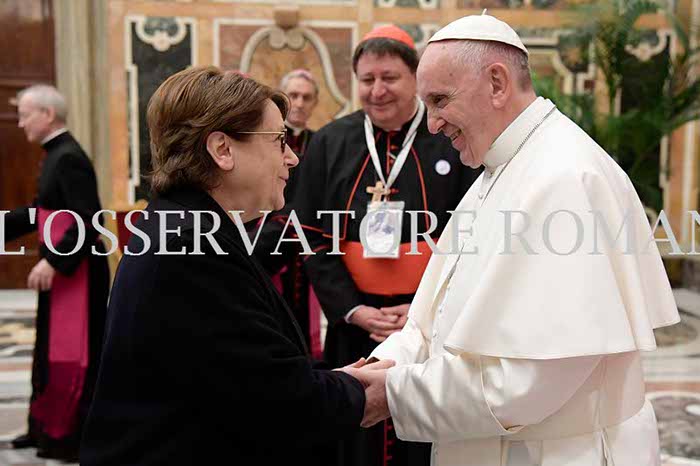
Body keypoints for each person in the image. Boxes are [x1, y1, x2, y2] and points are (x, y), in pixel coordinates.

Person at [367, 13, 681, 466]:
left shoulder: (565, 177)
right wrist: (387, 364)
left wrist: (390, 394)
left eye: (439, 100)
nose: (431, 124)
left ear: (497, 83)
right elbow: (434, 315)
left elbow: (527, 384)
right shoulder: (500, 166)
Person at [80, 66, 392, 466]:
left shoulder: (188, 225)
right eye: (279, 140)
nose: (292, 157)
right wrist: (376, 391)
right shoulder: (190, 249)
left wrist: (334, 381)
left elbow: (238, 373)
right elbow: (274, 402)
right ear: (222, 150)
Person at [290, 24, 481, 466]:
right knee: (353, 438)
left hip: (430, 323)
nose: (377, 90)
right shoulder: (330, 142)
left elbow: (473, 234)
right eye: (367, 79)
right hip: (355, 323)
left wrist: (422, 308)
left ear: (415, 78)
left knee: (423, 438)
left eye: (390, 78)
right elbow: (310, 232)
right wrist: (353, 308)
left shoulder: (450, 138)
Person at [4, 84, 109, 462]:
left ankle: (69, 437)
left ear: (47, 115)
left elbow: (88, 220)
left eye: (25, 115)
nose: (20, 123)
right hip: (66, 270)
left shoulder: (69, 157)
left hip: (77, 273)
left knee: (73, 356)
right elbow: (43, 210)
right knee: (48, 352)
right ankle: (44, 429)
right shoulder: (55, 154)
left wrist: (53, 262)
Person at [251, 69, 323, 357]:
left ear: (315, 102)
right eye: (293, 95)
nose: (300, 103)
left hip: (303, 245)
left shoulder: (321, 143)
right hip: (264, 238)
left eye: (307, 97)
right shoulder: (263, 139)